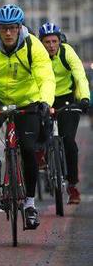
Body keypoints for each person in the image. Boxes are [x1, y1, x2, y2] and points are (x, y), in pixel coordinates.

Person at [0, 4, 55, 229]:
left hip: (27, 99)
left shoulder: (33, 45)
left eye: (13, 28)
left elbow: (45, 76)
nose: (8, 33)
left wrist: (45, 101)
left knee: (29, 149)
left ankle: (30, 204)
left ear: (20, 27)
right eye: (4, 28)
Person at [38, 22, 90, 204]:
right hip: (43, 98)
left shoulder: (67, 52)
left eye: (54, 41)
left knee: (69, 142)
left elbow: (80, 76)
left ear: (60, 41)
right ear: (41, 43)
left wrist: (84, 98)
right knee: (38, 134)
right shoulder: (36, 55)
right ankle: (41, 154)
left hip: (67, 100)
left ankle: (73, 185)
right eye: (47, 42)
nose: (51, 45)